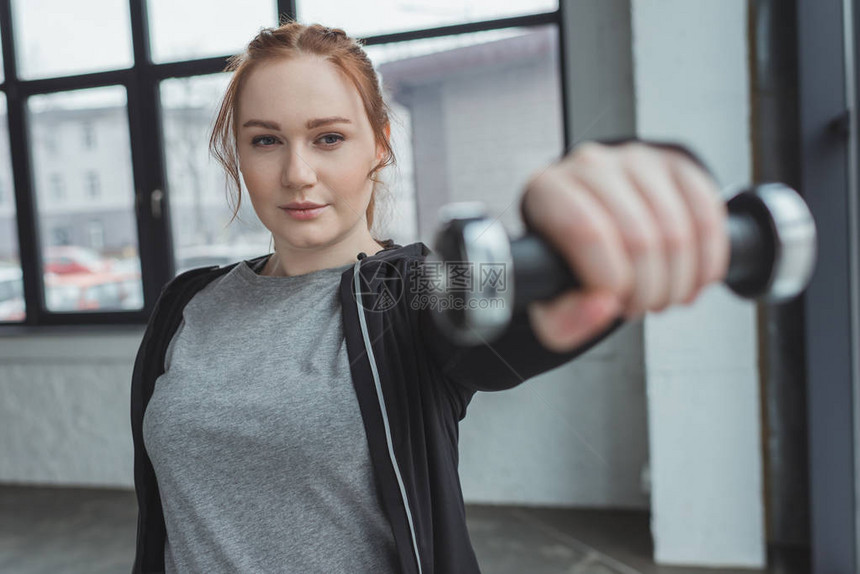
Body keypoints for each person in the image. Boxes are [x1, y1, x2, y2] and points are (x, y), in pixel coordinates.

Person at [130, 21, 729, 574]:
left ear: (380, 144)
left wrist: (593, 234)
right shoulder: (189, 302)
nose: (297, 173)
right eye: (266, 141)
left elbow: (497, 312)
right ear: (239, 153)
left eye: (329, 138)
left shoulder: (416, 289)